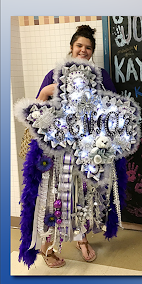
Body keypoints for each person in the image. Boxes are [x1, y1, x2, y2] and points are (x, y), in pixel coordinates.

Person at [27, 25, 117, 268]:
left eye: (88, 47)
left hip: (88, 152)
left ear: (92, 52)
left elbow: (113, 111)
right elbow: (37, 111)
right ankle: (48, 248)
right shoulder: (53, 75)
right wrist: (47, 91)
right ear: (71, 47)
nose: (83, 50)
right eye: (79, 46)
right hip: (58, 153)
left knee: (85, 197)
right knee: (53, 198)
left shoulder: (101, 77)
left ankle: (82, 239)